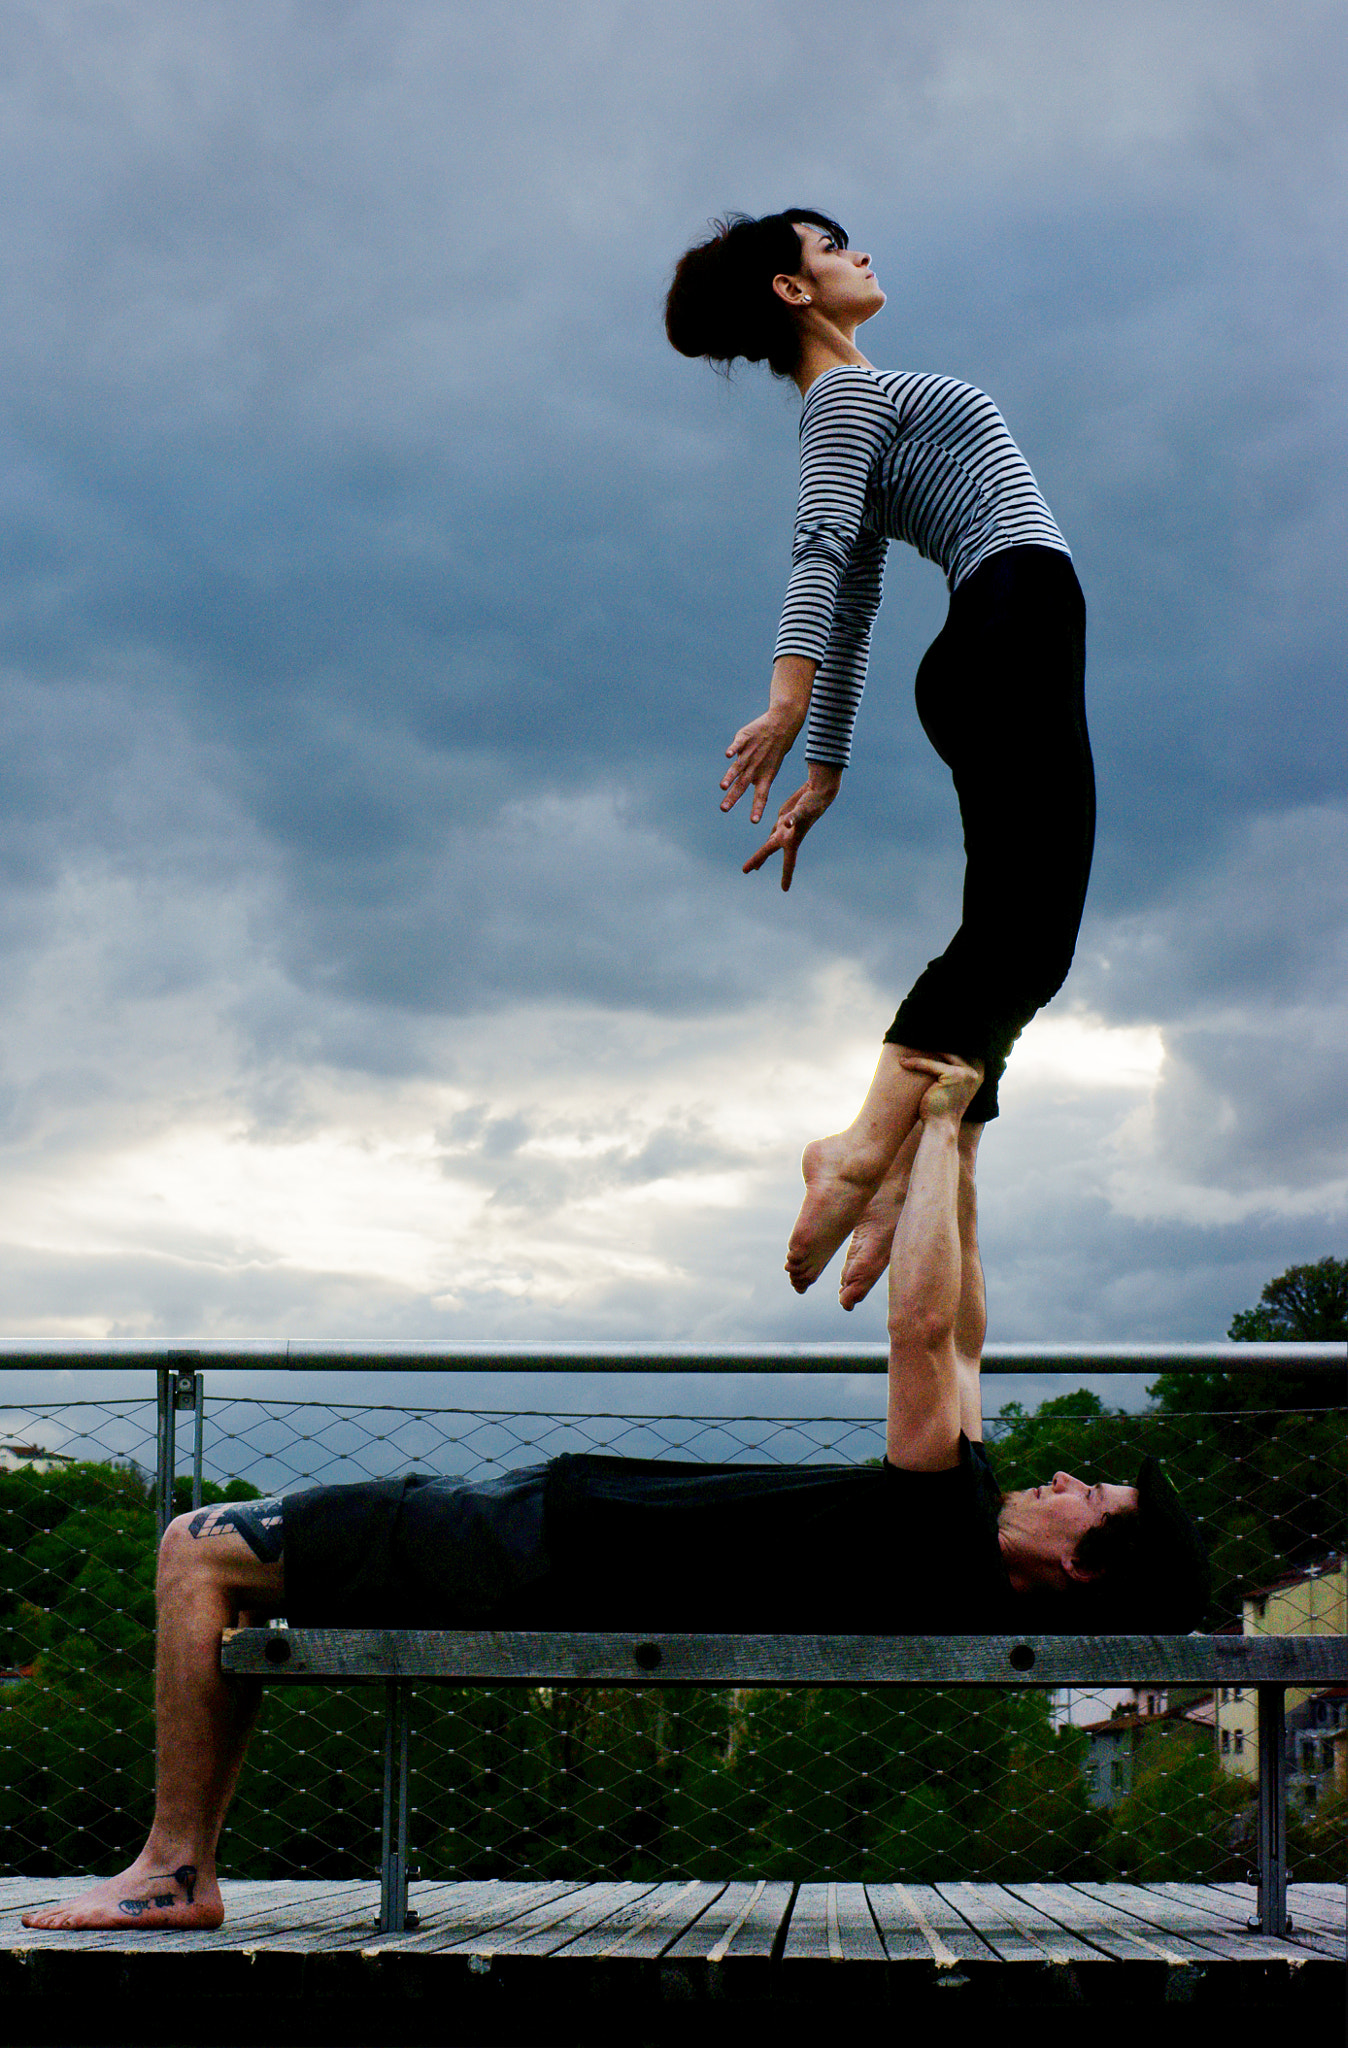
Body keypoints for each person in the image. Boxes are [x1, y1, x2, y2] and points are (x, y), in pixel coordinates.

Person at [23, 1055, 1207, 1934]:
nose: (1062, 1474)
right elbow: (967, 1335)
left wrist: (941, 1122)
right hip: (538, 1526)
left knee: (196, 1546)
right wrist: (964, 1146)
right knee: (220, 1559)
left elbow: (922, 1322)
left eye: (1085, 1492)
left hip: (536, 1548)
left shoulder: (935, 1531)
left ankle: (177, 1867)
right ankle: (181, 1860)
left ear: (1081, 1563)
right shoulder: (957, 1528)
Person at [665, 211, 1096, 1304]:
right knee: (1019, 934)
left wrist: (825, 770)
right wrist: (783, 707)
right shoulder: (845, 400)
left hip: (1003, 634)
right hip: (1007, 623)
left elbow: (856, 599)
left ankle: (910, 1163)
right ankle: (861, 1149)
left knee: (1028, 941)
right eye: (830, 246)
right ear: (793, 291)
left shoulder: (865, 398)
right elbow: (818, 553)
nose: (859, 252)